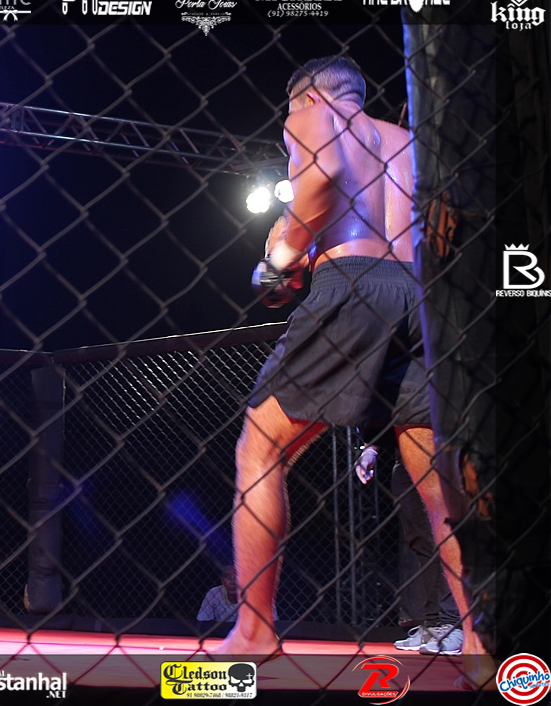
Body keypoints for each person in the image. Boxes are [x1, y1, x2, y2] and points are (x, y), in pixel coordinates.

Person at [215, 55, 489, 684]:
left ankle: (254, 629)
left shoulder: (314, 115)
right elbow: (444, 226)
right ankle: (481, 639)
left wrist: (283, 253)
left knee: (261, 448)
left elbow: (325, 174)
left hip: (353, 285)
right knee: (436, 481)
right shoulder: (412, 142)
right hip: (420, 298)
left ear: (308, 97)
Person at [356, 442, 462, 654]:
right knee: (421, 541)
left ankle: (454, 624)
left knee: (445, 535)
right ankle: (433, 623)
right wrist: (371, 448)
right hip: (404, 455)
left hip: (439, 450)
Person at [197, 565, 278, 623]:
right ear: (222, 581)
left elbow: (274, 623)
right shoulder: (214, 593)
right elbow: (203, 622)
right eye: (228, 577)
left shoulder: (259, 595)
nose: (232, 581)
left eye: (237, 576)